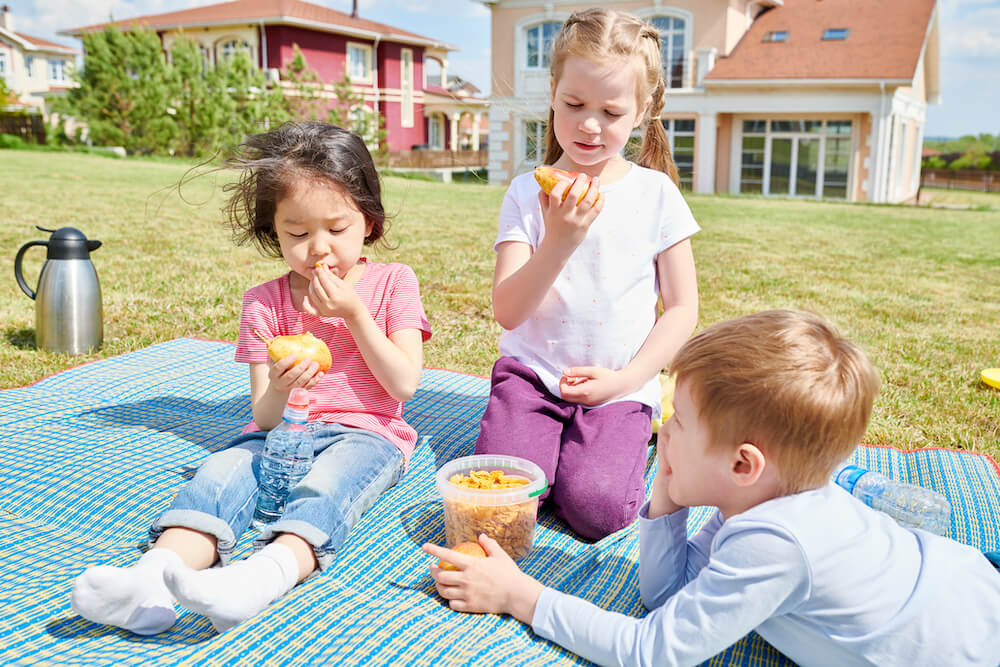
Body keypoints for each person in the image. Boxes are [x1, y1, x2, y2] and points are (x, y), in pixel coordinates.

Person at [424, 310, 1000, 666]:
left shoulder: (773, 543)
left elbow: (651, 650)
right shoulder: (760, 502)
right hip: (956, 579)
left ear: (745, 464)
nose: (662, 431)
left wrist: (519, 596)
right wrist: (667, 503)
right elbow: (667, 595)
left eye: (679, 423)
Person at [71, 121, 431, 634]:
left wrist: (354, 314)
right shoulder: (264, 302)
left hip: (368, 433)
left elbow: (404, 385)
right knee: (218, 475)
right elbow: (262, 415)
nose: (319, 249)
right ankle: (151, 580)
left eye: (337, 228)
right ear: (274, 233)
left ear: (368, 222)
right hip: (281, 434)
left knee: (327, 486)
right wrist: (283, 387)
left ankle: (258, 580)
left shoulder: (393, 282)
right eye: (298, 234)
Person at [475, 8, 699, 541]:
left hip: (618, 385)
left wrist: (626, 381)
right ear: (553, 91)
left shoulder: (656, 195)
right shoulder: (526, 193)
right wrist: (559, 243)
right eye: (574, 104)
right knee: (503, 502)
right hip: (531, 377)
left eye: (611, 111)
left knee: (597, 512)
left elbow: (683, 308)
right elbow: (507, 310)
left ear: (642, 111)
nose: (589, 124)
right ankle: (546, 452)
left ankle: (619, 441)